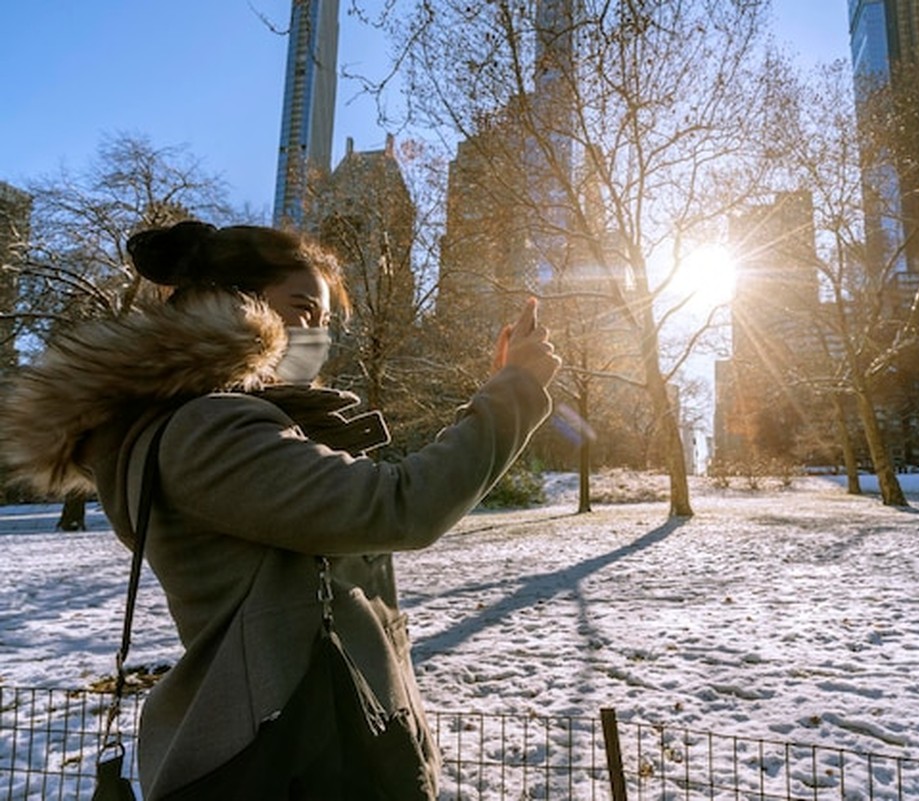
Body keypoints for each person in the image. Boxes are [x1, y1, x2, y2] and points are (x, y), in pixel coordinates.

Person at [0, 220, 559, 799]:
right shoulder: (209, 429)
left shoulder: (219, 425)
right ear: (233, 304)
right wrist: (515, 390)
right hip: (300, 755)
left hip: (318, 741)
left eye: (323, 322)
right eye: (302, 309)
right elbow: (402, 505)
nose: (316, 335)